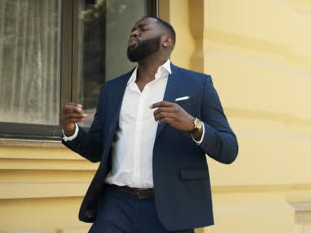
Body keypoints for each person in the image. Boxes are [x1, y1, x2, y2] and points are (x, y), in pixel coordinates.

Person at [60, 17, 238, 233]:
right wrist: (71, 131)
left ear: (166, 40)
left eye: (142, 29)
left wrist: (193, 125)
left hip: (171, 209)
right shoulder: (112, 89)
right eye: (132, 30)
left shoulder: (198, 85)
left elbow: (229, 150)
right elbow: (96, 150)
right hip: (116, 204)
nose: (133, 33)